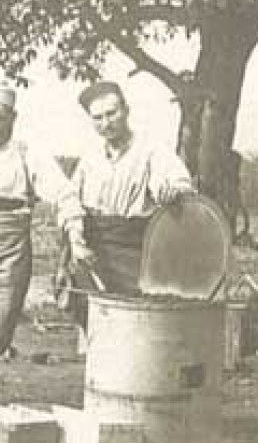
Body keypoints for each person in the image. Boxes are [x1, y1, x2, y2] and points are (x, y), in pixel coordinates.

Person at [0, 86, 85, 404]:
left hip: (10, 240)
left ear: (13, 116)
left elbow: (63, 194)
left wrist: (74, 232)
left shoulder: (29, 153)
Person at [66, 80, 196, 297]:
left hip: (135, 251)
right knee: (91, 314)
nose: (106, 123)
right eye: (97, 118)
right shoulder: (90, 158)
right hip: (92, 251)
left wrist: (173, 191)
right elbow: (70, 201)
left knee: (137, 312)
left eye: (111, 114)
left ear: (126, 111)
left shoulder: (151, 149)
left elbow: (180, 183)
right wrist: (75, 242)